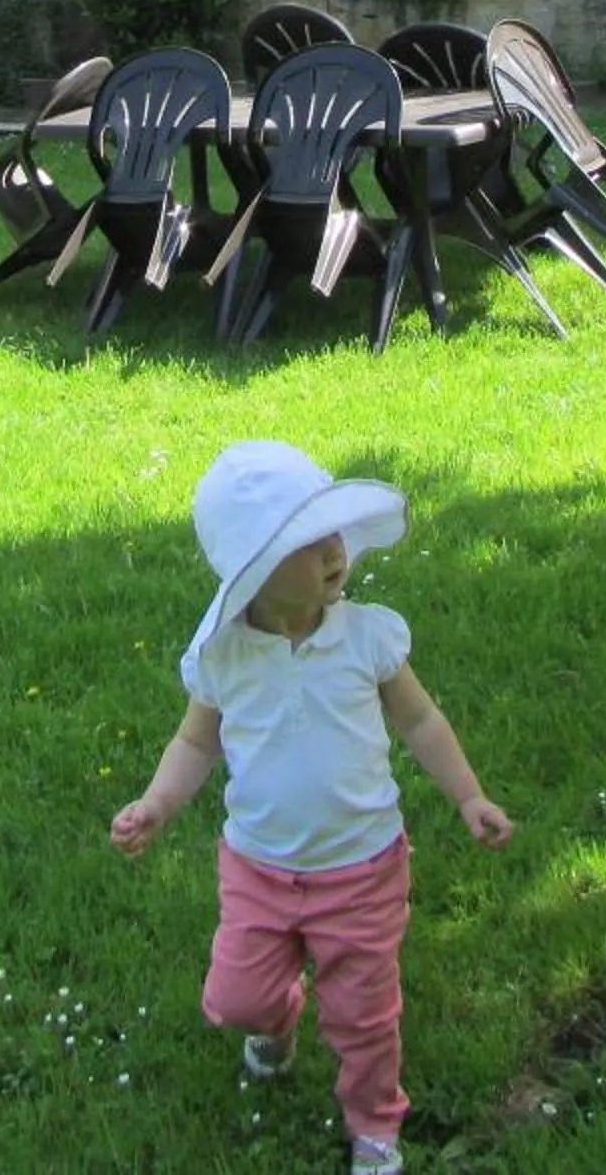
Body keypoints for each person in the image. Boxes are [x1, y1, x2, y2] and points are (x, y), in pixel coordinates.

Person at [111, 440, 513, 1175]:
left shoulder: (366, 637)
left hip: (361, 868)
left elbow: (420, 720)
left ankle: (374, 1123)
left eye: (334, 533)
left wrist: (468, 795)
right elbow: (196, 741)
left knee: (363, 1014)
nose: (335, 551)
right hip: (259, 869)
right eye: (309, 542)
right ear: (255, 569)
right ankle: (275, 1018)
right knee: (237, 999)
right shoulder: (226, 656)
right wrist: (157, 803)